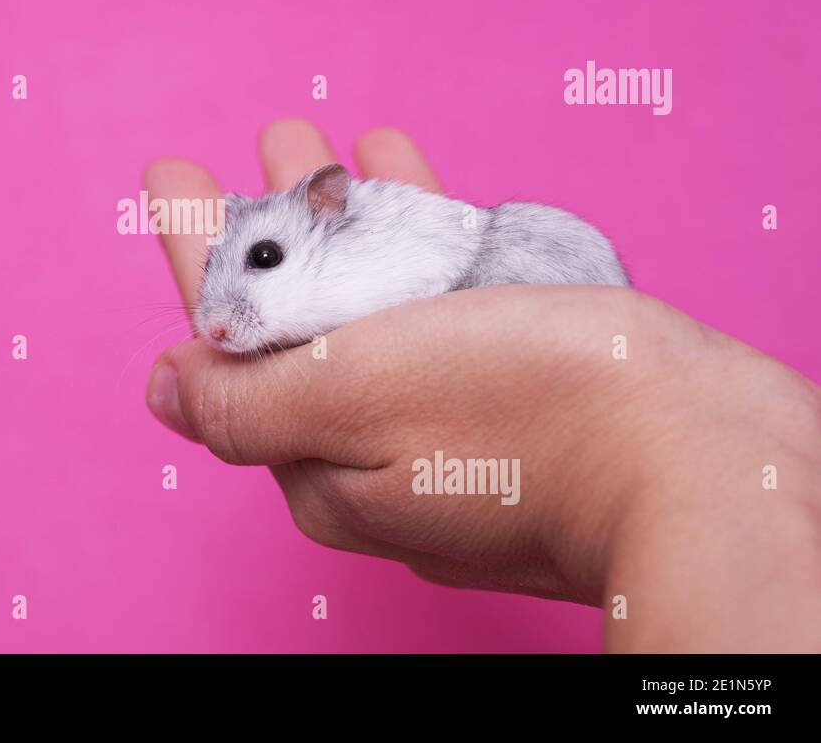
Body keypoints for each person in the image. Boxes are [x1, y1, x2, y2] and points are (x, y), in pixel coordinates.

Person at [143, 119, 821, 652]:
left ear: (328, 206)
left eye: (264, 259)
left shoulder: (403, 237)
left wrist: (614, 467)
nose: (219, 322)